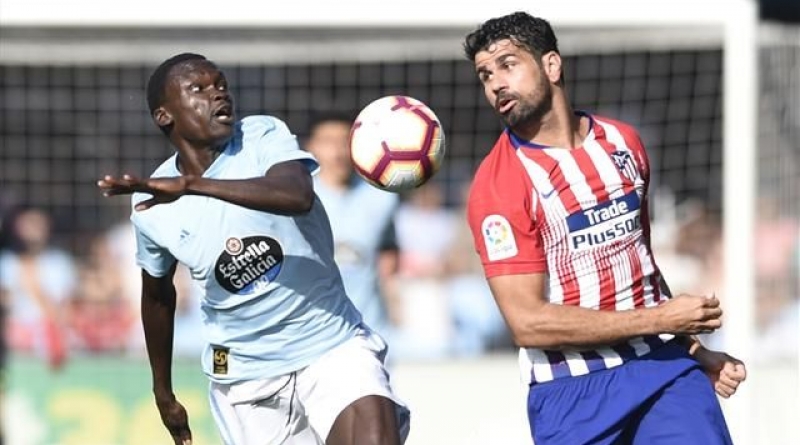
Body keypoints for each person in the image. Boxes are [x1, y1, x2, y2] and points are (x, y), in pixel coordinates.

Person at [462, 12, 746, 445]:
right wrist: (661, 318)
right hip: (574, 392)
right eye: (485, 75)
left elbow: (641, 268)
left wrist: (693, 349)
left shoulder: (622, 142)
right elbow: (527, 323)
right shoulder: (498, 184)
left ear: (551, 65)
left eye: (508, 65)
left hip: (663, 368)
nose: (496, 84)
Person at [97, 53, 409, 445]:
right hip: (245, 375)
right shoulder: (152, 204)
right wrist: (163, 391)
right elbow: (158, 296)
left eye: (221, 85)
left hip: (331, 344)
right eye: (199, 89)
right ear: (165, 116)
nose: (218, 94)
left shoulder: (261, 135)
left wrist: (193, 186)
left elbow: (297, 195)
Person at [303, 111, 402, 352]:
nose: (337, 151)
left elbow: (389, 259)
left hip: (369, 330)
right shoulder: (299, 197)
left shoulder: (382, 197)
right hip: (311, 333)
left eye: (344, 142)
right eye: (328, 141)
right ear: (311, 146)